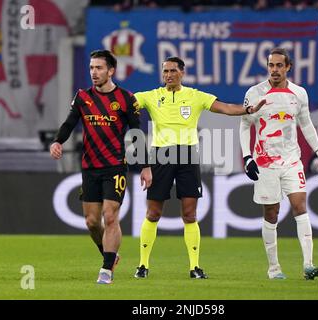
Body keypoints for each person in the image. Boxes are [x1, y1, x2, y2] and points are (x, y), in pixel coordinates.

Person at [133, 56, 265, 279]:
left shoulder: (195, 96)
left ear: (182, 72)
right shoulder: (151, 96)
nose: (168, 75)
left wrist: (248, 110)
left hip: (187, 156)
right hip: (160, 156)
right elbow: (123, 104)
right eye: (165, 71)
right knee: (153, 212)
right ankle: (143, 265)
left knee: (190, 214)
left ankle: (194, 267)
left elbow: (225, 108)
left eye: (173, 71)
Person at [50, 50, 152, 284]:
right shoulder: (83, 97)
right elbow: (69, 124)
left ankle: (106, 269)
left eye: (99, 68)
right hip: (90, 167)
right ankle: (109, 255)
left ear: (111, 71)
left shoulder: (126, 99)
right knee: (92, 222)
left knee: (110, 215)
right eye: (91, 68)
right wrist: (57, 141)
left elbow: (137, 134)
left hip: (115, 166)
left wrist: (146, 166)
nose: (94, 73)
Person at [239, 47, 318, 280]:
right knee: (272, 213)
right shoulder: (255, 92)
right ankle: (274, 269)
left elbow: (306, 124)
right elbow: (245, 125)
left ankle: (308, 265)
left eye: (280, 65)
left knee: (300, 207)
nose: (275, 70)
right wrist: (248, 157)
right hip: (265, 162)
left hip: (291, 160)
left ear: (288, 67)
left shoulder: (299, 93)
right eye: (271, 65)